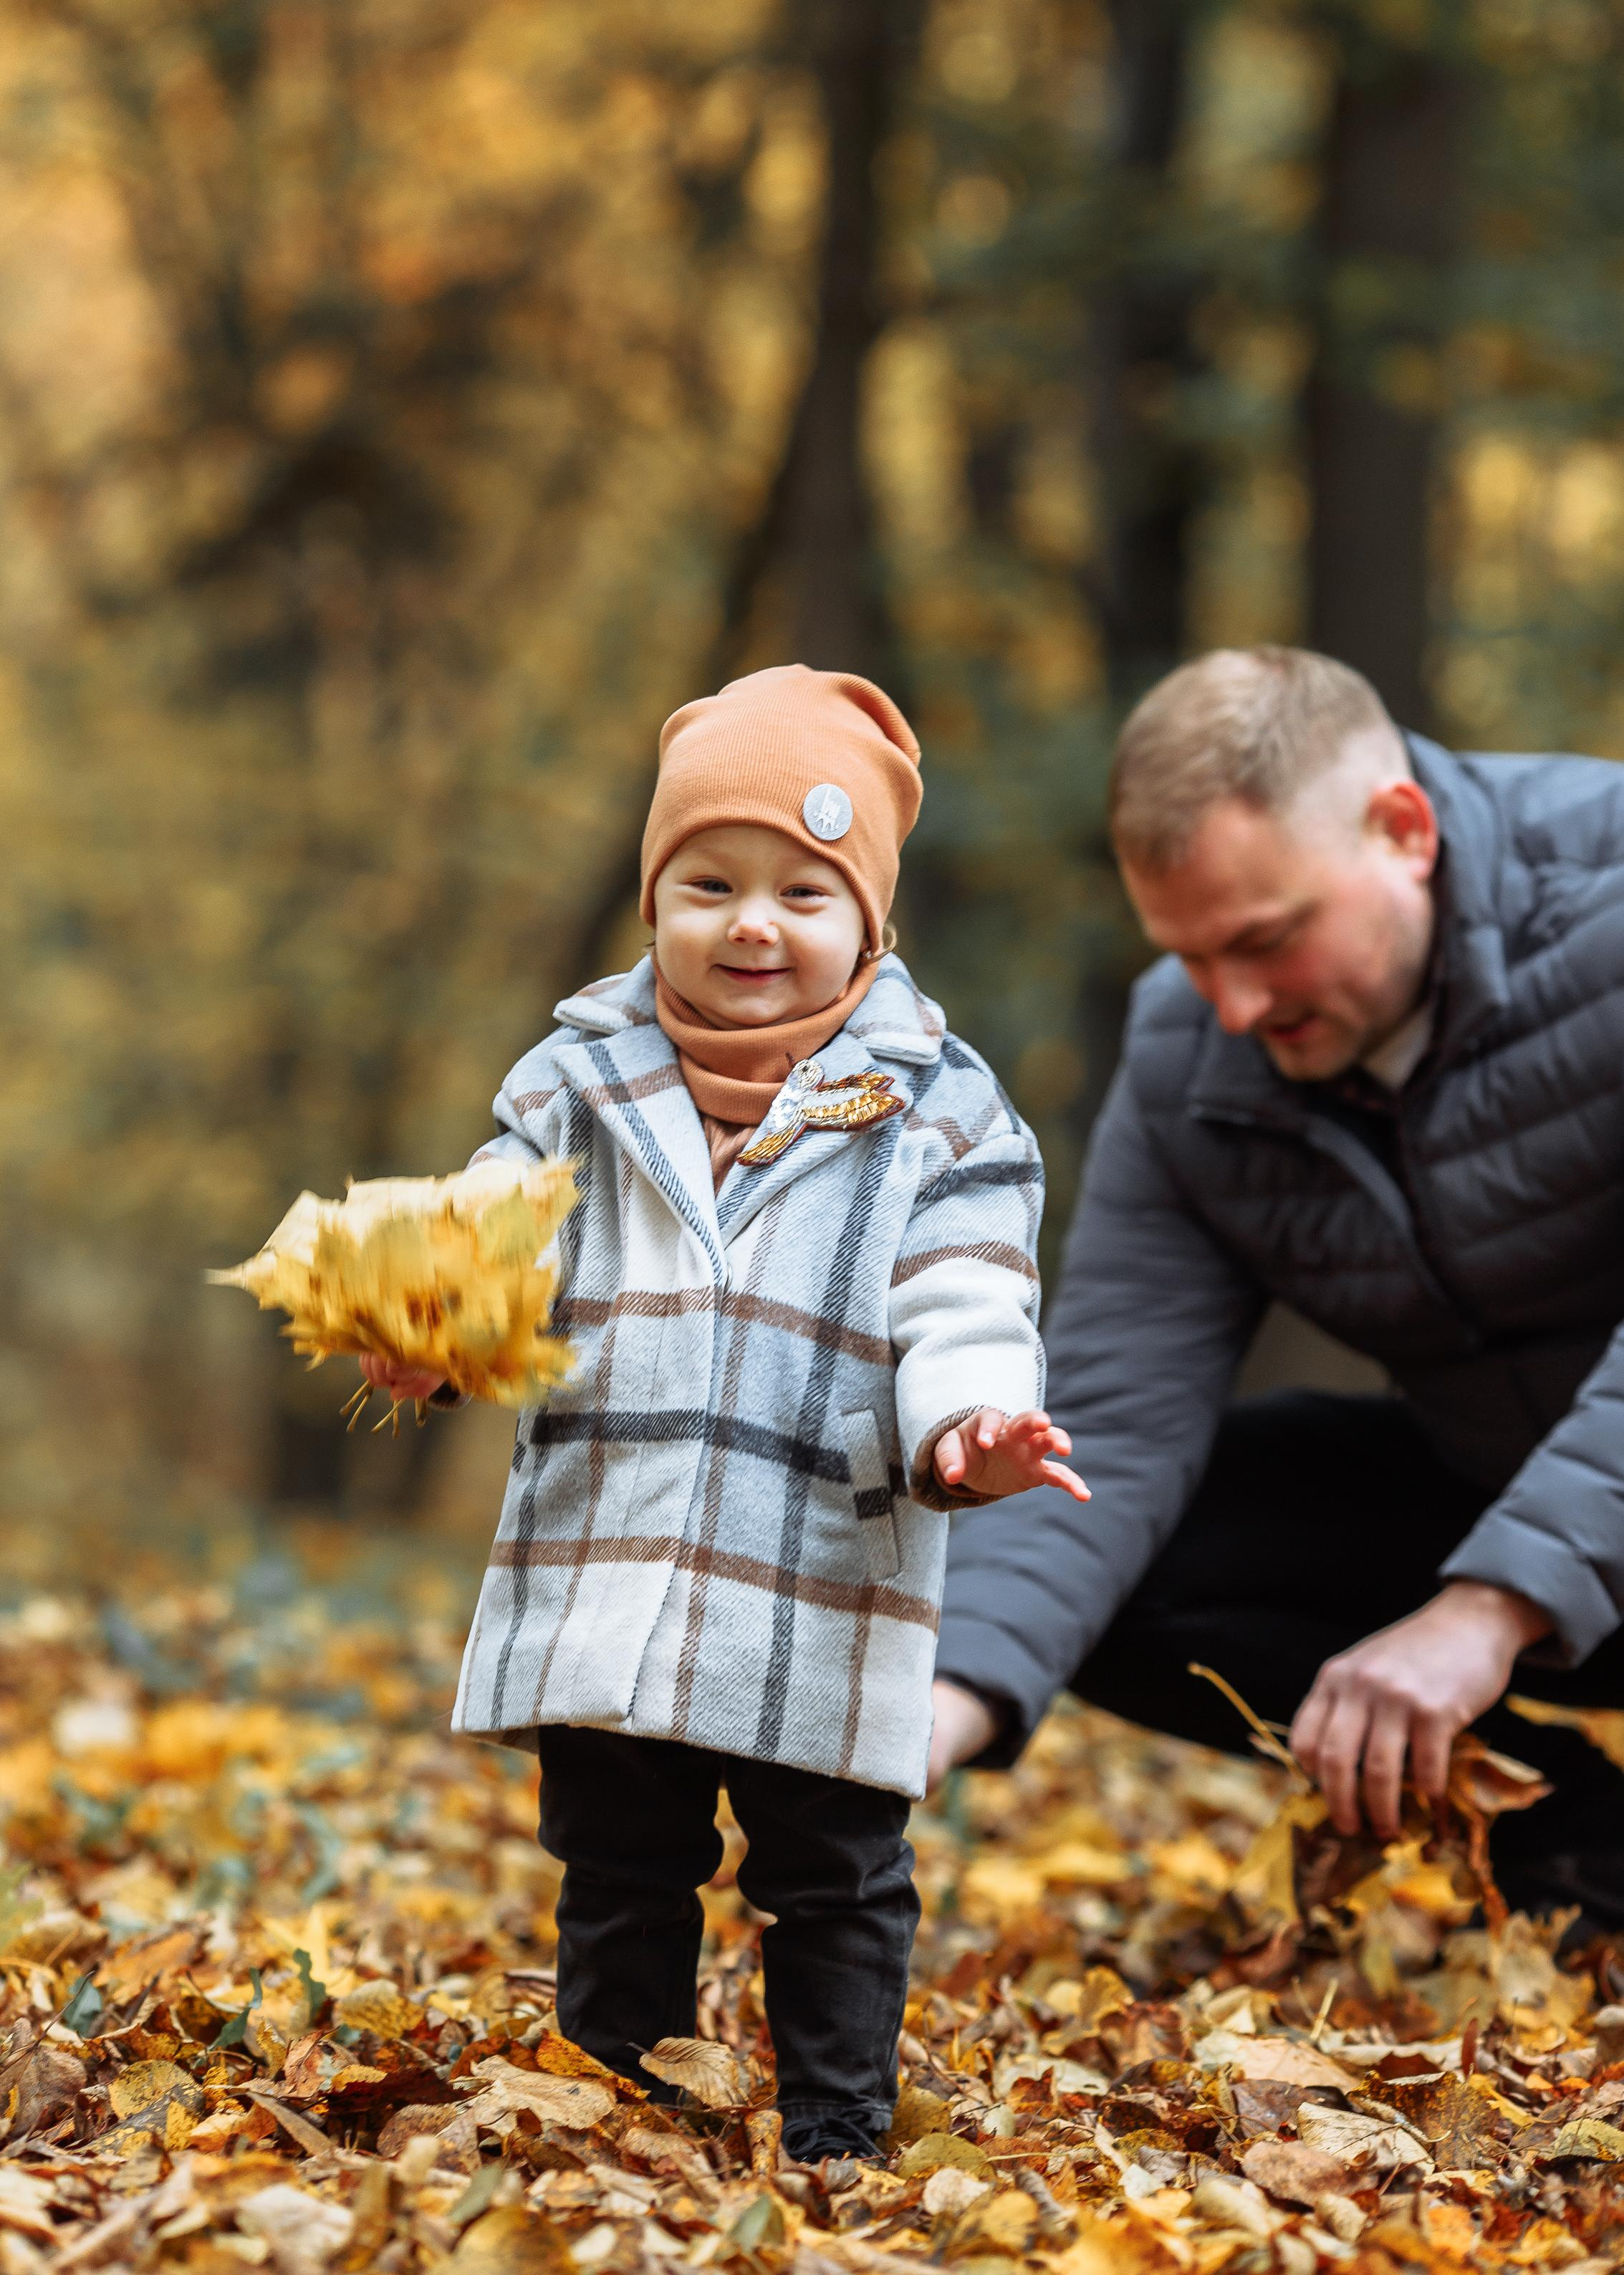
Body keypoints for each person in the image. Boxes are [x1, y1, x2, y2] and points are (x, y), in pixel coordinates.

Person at [362, 665, 1087, 2165]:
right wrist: (437, 1312)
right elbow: (504, 1222)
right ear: (654, 903)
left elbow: (965, 1289)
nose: (752, 922)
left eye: (802, 892)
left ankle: (835, 2126)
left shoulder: (937, 1112)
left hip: (813, 1565)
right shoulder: (577, 1084)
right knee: (621, 1859)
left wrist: (972, 1420)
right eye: (709, 881)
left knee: (832, 1869)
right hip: (614, 1556)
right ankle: (609, 2095)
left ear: (868, 922)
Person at [931, 646, 1624, 1929]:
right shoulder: (1191, 1053)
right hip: (1489, 1482)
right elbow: (1116, 1419)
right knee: (1138, 1553)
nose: (1234, 1008)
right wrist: (940, 1708)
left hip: (1558, 1546)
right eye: (1190, 957)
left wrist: (1490, 1607)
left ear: (1402, 830)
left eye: (1265, 941)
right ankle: (1586, 1854)